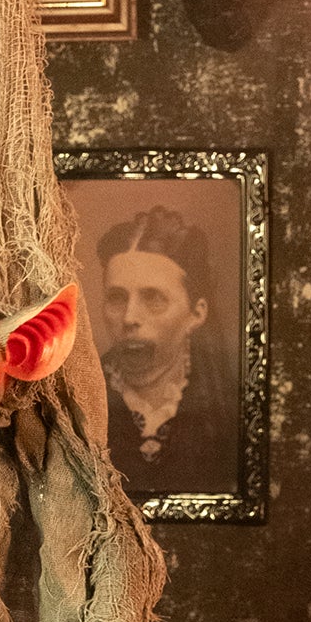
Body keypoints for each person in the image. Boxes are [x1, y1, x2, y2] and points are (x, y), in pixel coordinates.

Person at [94, 205, 236, 497]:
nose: (129, 318)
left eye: (153, 298)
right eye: (117, 298)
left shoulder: (229, 405)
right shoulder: (79, 403)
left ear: (197, 313)